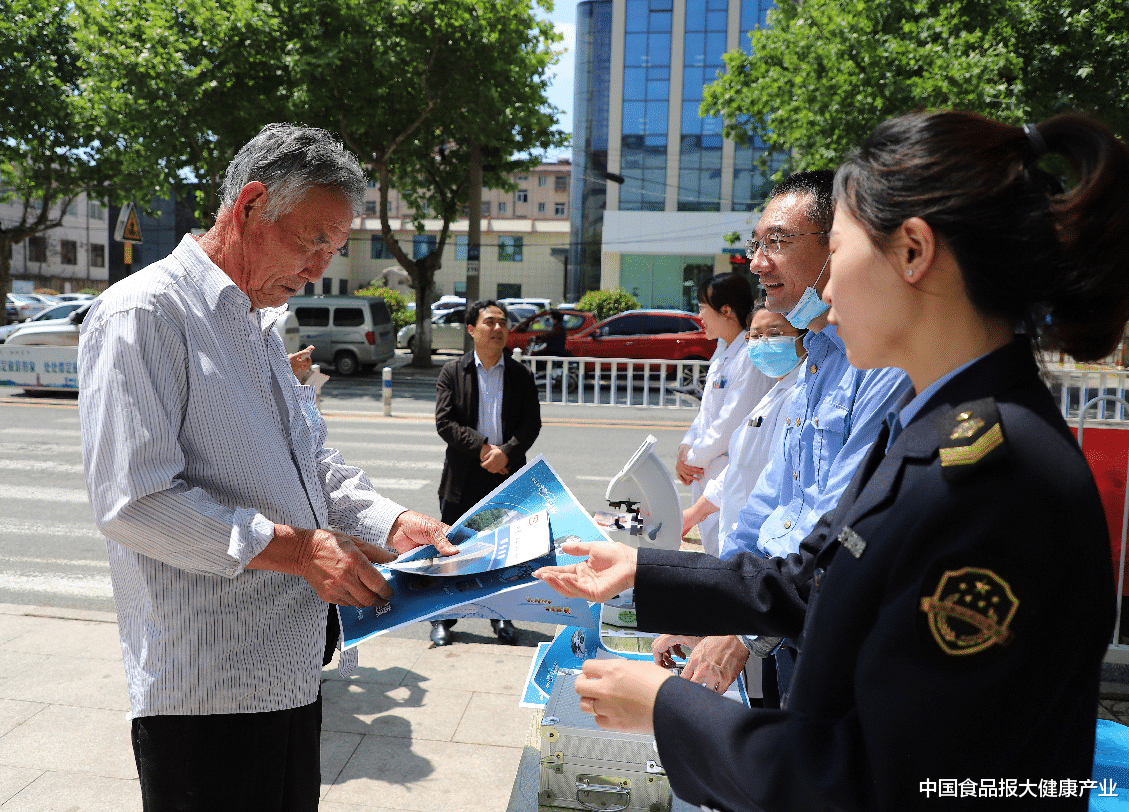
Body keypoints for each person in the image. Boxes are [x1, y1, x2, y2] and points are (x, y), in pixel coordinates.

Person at [533, 110, 1129, 811]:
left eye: (837, 254)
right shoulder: (931, 428)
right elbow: (814, 581)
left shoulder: (993, 483)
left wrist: (666, 710)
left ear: (912, 251)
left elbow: (880, 782)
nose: (825, 289)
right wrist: (642, 571)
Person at [78, 123, 456, 812]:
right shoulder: (145, 313)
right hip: (207, 692)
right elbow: (133, 502)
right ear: (250, 204)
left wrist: (394, 522)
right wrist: (300, 550)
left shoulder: (254, 321)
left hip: (291, 673)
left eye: (333, 248)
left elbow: (311, 463)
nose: (320, 266)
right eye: (313, 240)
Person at [663, 172, 910, 704]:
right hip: (786, 627)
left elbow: (834, 522)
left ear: (838, 247)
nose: (757, 263)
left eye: (776, 242)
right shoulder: (813, 365)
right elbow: (769, 506)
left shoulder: (881, 366)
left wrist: (742, 627)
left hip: (840, 641)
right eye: (757, 244)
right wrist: (715, 609)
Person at [431, 299, 542, 646]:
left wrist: (505, 452)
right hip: (464, 475)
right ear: (471, 329)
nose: (497, 328)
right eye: (489, 322)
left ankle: (503, 617)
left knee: (506, 551)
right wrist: (483, 448)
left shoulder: (520, 374)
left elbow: (531, 424)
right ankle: (444, 619)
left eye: (502, 323)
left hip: (506, 474)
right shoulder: (453, 371)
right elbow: (444, 422)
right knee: (453, 550)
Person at [676, 272, 773, 556]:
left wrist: (691, 460)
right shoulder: (723, 352)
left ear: (726, 311)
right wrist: (685, 447)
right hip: (706, 474)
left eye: (703, 307)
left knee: (725, 555)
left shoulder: (749, 356)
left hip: (729, 477)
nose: (700, 315)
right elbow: (705, 415)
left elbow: (729, 423)